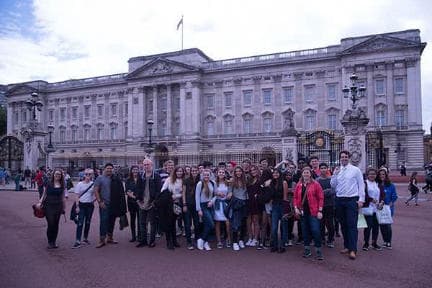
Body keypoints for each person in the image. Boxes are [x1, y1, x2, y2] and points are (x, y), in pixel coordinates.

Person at [330, 150, 365, 260]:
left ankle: (353, 249)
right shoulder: (338, 171)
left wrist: (361, 199)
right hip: (340, 200)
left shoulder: (355, 170)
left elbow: (361, 185)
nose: (344, 158)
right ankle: (346, 246)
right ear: (340, 158)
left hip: (351, 200)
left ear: (349, 158)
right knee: (343, 224)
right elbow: (333, 185)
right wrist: (334, 174)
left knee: (352, 225)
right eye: (342, 157)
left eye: (345, 157)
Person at [294, 167, 324, 260]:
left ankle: (318, 250)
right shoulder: (299, 185)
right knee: (305, 231)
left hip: (313, 211)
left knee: (315, 230)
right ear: (302, 174)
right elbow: (295, 197)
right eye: (304, 173)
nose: (306, 174)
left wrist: (320, 210)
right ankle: (307, 249)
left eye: (307, 173)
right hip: (303, 212)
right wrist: (295, 208)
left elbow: (321, 198)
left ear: (310, 174)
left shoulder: (316, 184)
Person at [94, 163, 127, 248]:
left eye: (111, 168)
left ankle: (110, 237)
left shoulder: (115, 178)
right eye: (108, 168)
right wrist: (100, 202)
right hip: (104, 204)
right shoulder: (100, 178)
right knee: (103, 222)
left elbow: (120, 191)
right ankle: (102, 239)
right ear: (104, 169)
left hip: (114, 204)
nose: (109, 170)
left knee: (112, 221)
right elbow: (96, 190)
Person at [36, 169, 66, 249]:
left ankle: (54, 241)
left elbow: (63, 197)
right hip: (48, 205)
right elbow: (44, 193)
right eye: (56, 174)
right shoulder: (48, 183)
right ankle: (50, 241)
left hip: (58, 205)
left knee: (56, 224)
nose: (57, 176)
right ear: (53, 175)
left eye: (59, 175)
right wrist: (40, 202)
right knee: (51, 223)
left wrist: (64, 207)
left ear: (61, 176)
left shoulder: (62, 184)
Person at [136, 158, 161, 248]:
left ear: (152, 165)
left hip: (152, 203)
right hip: (142, 203)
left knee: (153, 223)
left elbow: (159, 191)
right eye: (144, 165)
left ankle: (152, 241)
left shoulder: (156, 176)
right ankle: (143, 240)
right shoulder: (140, 175)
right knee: (142, 223)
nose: (146, 166)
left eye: (148, 164)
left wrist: (154, 202)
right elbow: (137, 189)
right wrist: (138, 201)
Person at [160, 166, 185, 249]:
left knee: (173, 223)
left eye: (181, 171)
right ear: (175, 172)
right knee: (169, 223)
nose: (179, 173)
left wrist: (177, 195)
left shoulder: (184, 181)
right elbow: (163, 190)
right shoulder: (169, 179)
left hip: (178, 204)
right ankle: (169, 241)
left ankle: (174, 240)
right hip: (169, 204)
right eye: (178, 171)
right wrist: (171, 196)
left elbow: (184, 193)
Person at [362, 168, 384, 251]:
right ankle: (366, 243)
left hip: (377, 208)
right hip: (368, 208)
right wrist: (371, 199)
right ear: (367, 175)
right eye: (370, 174)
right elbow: (364, 194)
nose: (372, 175)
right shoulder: (365, 183)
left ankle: (374, 243)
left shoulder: (378, 184)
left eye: (374, 174)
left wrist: (382, 201)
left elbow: (382, 194)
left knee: (376, 227)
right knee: (368, 226)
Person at [72, 168, 96, 249]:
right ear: (84, 175)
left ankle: (85, 238)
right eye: (86, 174)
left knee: (88, 222)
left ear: (92, 175)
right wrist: (77, 206)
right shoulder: (79, 184)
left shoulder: (93, 184)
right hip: (81, 205)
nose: (88, 176)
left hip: (90, 206)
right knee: (80, 223)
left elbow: (96, 194)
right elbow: (76, 196)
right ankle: (77, 240)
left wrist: (93, 201)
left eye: (90, 174)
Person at [227, 166, 248, 251]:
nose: (238, 173)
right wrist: (230, 194)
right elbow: (229, 191)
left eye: (239, 171)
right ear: (234, 173)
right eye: (236, 171)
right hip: (236, 203)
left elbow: (247, 192)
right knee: (236, 223)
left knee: (243, 223)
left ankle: (241, 240)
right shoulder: (232, 181)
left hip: (244, 203)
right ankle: (235, 242)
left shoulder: (245, 181)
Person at [269, 168, 289, 253]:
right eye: (274, 173)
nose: (275, 174)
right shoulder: (271, 183)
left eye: (277, 173)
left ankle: (282, 245)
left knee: (283, 226)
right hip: (274, 206)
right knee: (274, 227)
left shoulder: (284, 183)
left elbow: (285, 197)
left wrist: (285, 210)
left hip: (282, 205)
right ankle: (275, 245)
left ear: (280, 174)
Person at [377, 168, 398, 249]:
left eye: (383, 174)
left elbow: (394, 196)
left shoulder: (391, 185)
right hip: (379, 207)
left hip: (388, 208)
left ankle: (388, 242)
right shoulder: (377, 184)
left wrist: (390, 204)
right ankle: (385, 241)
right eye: (380, 174)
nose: (382, 176)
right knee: (382, 225)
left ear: (386, 175)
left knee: (388, 225)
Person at [195, 169, 215, 251]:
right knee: (211, 224)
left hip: (209, 205)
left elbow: (215, 195)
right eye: (205, 175)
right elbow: (197, 197)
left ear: (210, 175)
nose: (206, 176)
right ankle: (201, 239)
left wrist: (212, 201)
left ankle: (205, 242)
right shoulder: (200, 184)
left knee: (208, 224)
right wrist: (198, 209)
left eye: (208, 175)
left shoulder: (213, 183)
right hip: (202, 206)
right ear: (202, 175)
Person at [316, 163, 335, 248]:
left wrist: (323, 192)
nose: (323, 170)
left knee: (330, 224)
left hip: (330, 204)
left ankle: (330, 239)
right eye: (322, 168)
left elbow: (334, 190)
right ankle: (322, 239)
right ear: (319, 170)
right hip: (320, 205)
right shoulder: (317, 180)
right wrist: (325, 192)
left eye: (325, 168)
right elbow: (316, 192)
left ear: (327, 169)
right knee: (321, 223)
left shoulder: (331, 179)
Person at [182, 166, 201, 250]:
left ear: (197, 172)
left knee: (197, 223)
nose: (194, 172)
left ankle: (197, 239)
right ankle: (189, 241)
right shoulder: (186, 180)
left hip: (196, 205)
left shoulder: (200, 181)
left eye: (195, 171)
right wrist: (184, 204)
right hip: (188, 204)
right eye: (192, 171)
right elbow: (183, 193)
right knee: (187, 223)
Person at [213, 168, 231, 249]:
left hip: (225, 204)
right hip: (217, 204)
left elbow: (231, 191)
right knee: (217, 223)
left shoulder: (228, 183)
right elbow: (212, 192)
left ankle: (228, 239)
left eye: (223, 172)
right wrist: (217, 193)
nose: (221, 173)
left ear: (225, 174)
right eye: (219, 172)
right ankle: (219, 241)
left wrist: (229, 195)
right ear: (217, 173)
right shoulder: (214, 183)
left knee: (227, 223)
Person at [125, 166, 142, 243]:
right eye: (134, 170)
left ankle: (139, 235)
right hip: (131, 202)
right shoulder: (128, 180)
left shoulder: (141, 179)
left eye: (136, 169)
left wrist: (138, 198)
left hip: (140, 202)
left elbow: (142, 190)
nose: (135, 171)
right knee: (132, 219)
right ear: (131, 171)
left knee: (140, 219)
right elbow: (128, 192)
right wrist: (135, 198)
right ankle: (133, 236)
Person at [245, 165, 261, 247]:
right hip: (248, 201)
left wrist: (258, 195)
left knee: (255, 221)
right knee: (248, 221)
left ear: (257, 170)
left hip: (256, 202)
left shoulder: (260, 180)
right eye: (251, 170)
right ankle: (250, 238)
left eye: (254, 170)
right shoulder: (249, 180)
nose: (253, 171)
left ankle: (255, 239)